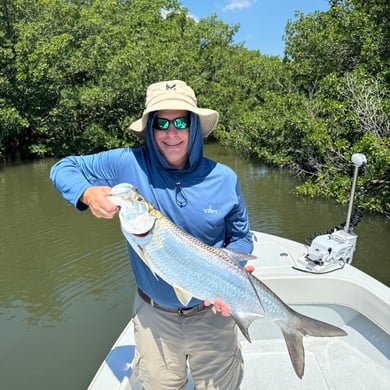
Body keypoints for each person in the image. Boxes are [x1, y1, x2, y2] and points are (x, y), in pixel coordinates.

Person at [50, 80, 254, 389]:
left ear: (195, 126)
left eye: (182, 121)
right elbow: (63, 168)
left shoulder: (224, 178)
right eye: (161, 123)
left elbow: (241, 239)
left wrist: (233, 271)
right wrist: (87, 193)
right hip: (154, 317)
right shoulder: (127, 163)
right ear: (150, 128)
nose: (172, 133)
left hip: (214, 313)